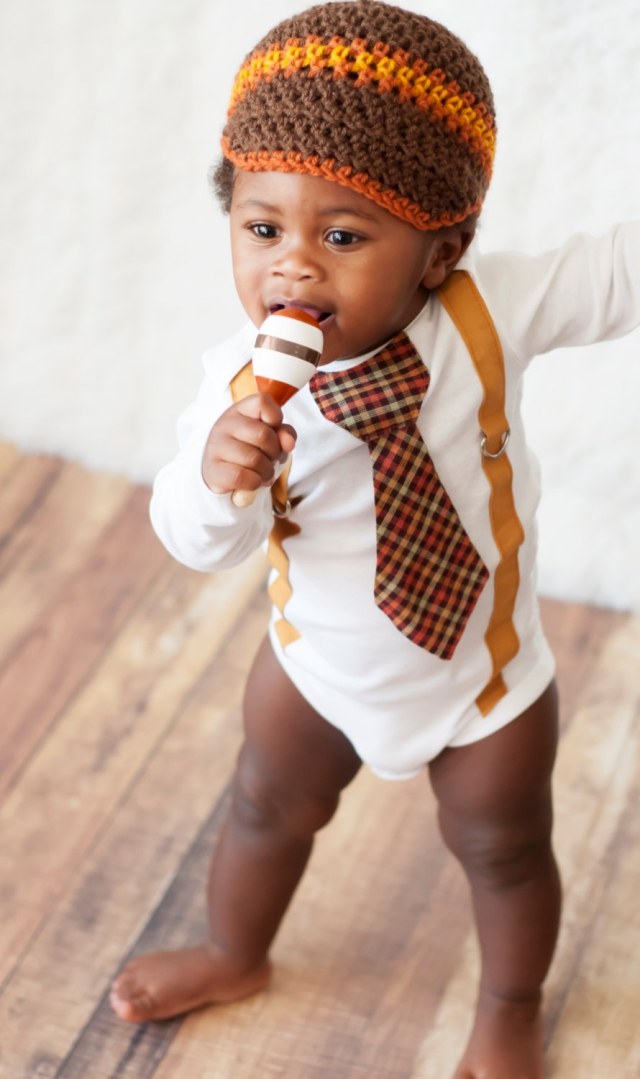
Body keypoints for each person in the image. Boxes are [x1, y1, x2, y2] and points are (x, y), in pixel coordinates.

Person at [109, 3, 640, 1076]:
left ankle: (506, 1006)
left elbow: (618, 272)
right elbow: (193, 538)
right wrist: (220, 483)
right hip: (318, 662)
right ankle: (233, 946)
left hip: (481, 675)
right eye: (263, 228)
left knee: (503, 847)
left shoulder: (493, 309)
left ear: (440, 247)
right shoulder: (236, 386)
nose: (292, 269)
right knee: (264, 801)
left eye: (342, 236)